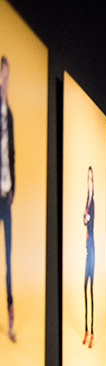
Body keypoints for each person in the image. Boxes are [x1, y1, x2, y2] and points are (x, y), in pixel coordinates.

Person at [1, 56, 15, 343]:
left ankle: (10, 322)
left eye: (6, 76)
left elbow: (11, 152)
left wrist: (13, 187)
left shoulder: (9, 114)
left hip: (6, 193)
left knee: (10, 259)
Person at [83, 166, 95, 348]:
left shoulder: (93, 202)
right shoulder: (87, 200)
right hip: (86, 249)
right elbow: (83, 220)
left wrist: (87, 218)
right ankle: (86, 329)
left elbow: (90, 221)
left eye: (91, 179)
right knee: (83, 288)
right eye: (88, 179)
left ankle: (91, 331)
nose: (89, 182)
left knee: (90, 290)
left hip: (92, 248)